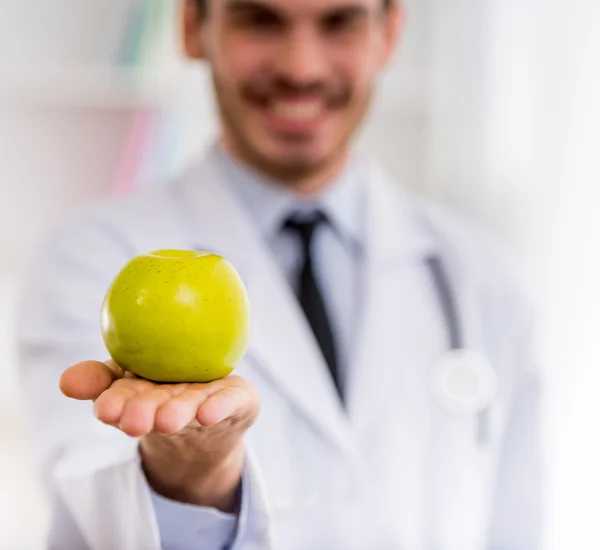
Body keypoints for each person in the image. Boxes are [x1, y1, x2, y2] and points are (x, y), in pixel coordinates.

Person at [16, 0, 542, 548]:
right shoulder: (89, 257)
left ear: (389, 33)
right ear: (194, 28)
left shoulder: (482, 278)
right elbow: (90, 511)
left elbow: (521, 529)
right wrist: (190, 473)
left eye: (341, 22)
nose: (301, 68)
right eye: (260, 20)